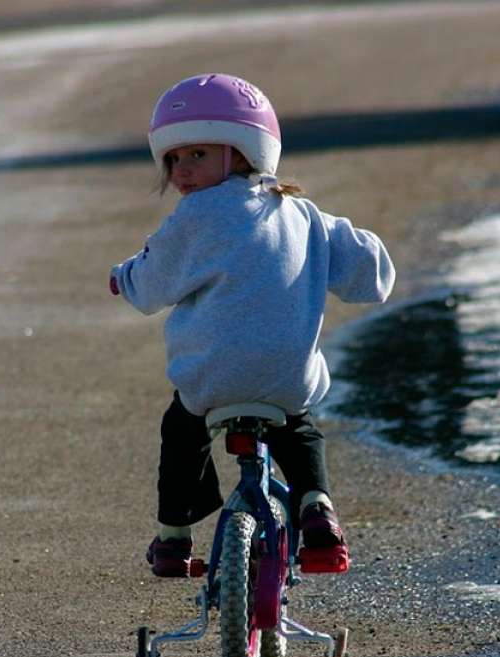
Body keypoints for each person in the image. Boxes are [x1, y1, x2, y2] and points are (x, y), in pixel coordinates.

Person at [109, 73, 395, 577]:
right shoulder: (304, 216)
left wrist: (123, 278)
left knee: (182, 428)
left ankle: (174, 537)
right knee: (298, 428)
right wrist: (373, 260)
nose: (182, 171)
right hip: (288, 379)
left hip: (211, 381)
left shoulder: (195, 217)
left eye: (197, 154)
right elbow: (369, 274)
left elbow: (151, 284)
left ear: (245, 152)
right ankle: (317, 509)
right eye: (173, 159)